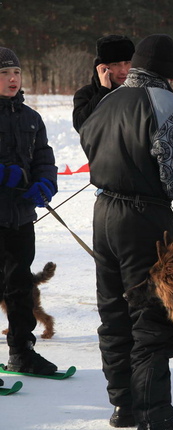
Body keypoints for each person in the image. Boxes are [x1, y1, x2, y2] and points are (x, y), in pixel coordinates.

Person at [80, 34, 173, 430]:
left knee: (114, 311)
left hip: (103, 215)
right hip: (144, 219)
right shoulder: (166, 104)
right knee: (153, 319)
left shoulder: (108, 100)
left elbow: (87, 141)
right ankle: (153, 422)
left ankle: (124, 404)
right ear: (171, 72)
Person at [0, 47, 58, 375]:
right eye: (5, 73)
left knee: (21, 288)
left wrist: (45, 184)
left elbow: (44, 159)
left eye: (17, 73)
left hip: (21, 219)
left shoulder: (31, 118)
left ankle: (22, 352)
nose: (13, 79)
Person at [72, 34, 134, 132]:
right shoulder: (87, 94)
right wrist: (103, 91)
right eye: (115, 64)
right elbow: (81, 126)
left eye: (127, 63)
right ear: (102, 67)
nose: (123, 71)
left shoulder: (140, 93)